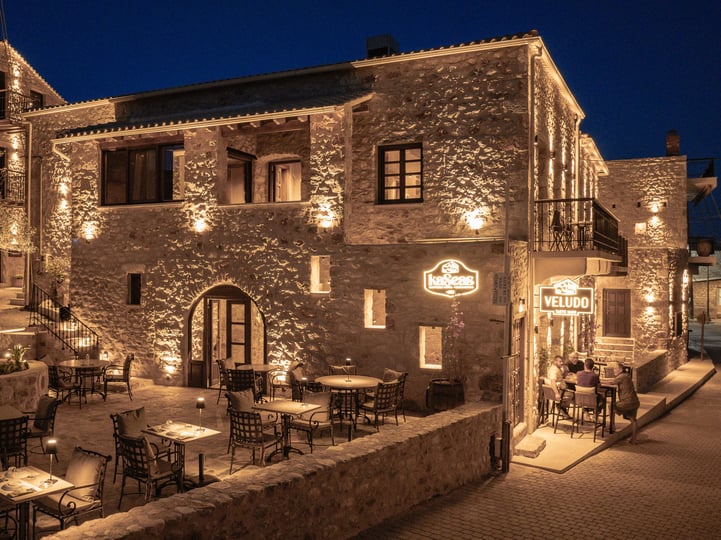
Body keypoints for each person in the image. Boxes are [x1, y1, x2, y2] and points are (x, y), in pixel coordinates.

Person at [614, 368, 640, 444]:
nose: (614, 371)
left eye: (615, 369)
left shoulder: (621, 376)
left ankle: (612, 427)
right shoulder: (626, 376)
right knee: (633, 420)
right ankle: (634, 439)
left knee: (611, 406)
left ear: (620, 369)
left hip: (627, 402)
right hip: (634, 401)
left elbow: (611, 382)